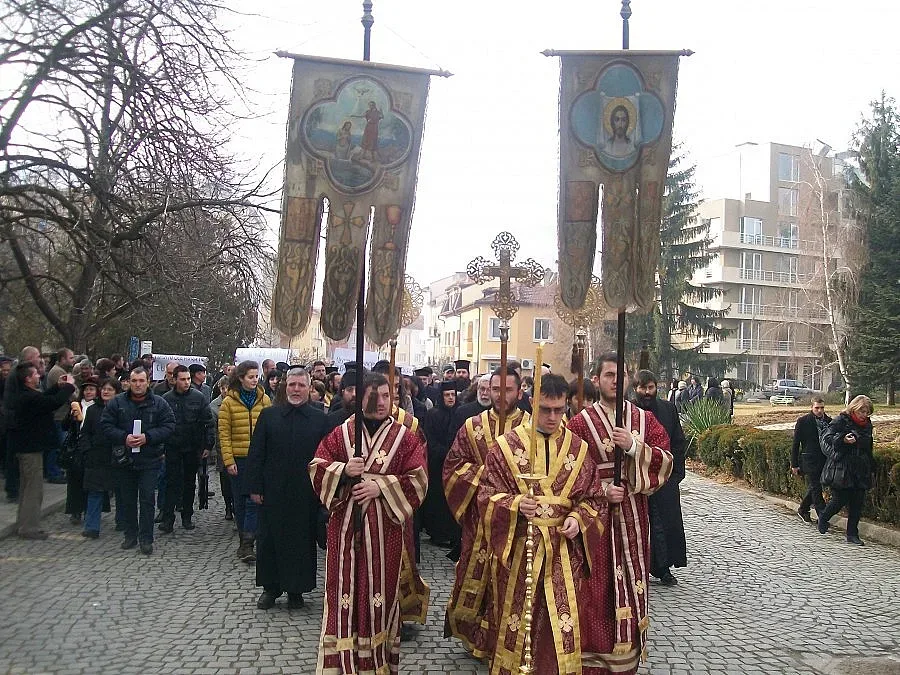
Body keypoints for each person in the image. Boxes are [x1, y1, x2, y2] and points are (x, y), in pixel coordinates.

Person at [479, 374, 606, 674]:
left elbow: (594, 499)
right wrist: (513, 504)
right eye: (546, 409)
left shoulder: (579, 450)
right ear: (532, 402)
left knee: (557, 626)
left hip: (564, 554)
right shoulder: (505, 447)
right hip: (520, 552)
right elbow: (485, 496)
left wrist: (578, 518)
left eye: (559, 410)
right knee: (517, 622)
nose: (552, 417)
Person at [309, 374, 427, 673]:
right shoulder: (341, 434)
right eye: (374, 396)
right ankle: (342, 664)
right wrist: (344, 471)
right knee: (344, 595)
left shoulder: (406, 438)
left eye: (386, 395)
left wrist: (382, 487)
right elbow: (317, 467)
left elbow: (419, 480)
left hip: (384, 534)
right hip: (345, 532)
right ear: (361, 398)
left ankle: (377, 664)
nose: (381, 402)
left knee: (380, 597)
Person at [567, 353, 673, 674]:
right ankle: (590, 658)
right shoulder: (579, 423)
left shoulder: (644, 421)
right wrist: (600, 490)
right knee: (595, 587)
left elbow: (666, 460)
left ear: (628, 380)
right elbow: (564, 473)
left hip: (632, 517)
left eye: (621, 375)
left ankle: (625, 658)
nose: (615, 380)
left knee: (629, 582)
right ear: (596, 380)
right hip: (595, 522)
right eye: (609, 374)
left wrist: (633, 447)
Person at [444, 367, 530, 659]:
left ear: (519, 392)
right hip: (481, 520)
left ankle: (507, 641)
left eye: (508, 390)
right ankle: (477, 638)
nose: (500, 395)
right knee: (477, 574)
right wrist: (489, 480)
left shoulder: (532, 427)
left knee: (510, 581)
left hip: (517, 523)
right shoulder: (472, 426)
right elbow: (453, 466)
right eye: (496, 389)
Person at [248, 368, 329, 610]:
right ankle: (270, 589)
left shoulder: (320, 419)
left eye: (301, 386)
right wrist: (254, 486)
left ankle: (297, 590)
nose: (296, 389)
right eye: (292, 385)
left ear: (308, 388)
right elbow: (256, 454)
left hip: (306, 493)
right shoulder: (269, 416)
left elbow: (326, 458)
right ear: (285, 387)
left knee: (302, 543)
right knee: (268, 541)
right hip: (273, 491)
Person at [100, 367, 175, 554]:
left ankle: (146, 538)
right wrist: (123, 437)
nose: (138, 385)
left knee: (148, 499)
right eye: (134, 381)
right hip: (124, 459)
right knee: (127, 499)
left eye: (141, 381)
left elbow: (169, 425)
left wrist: (148, 437)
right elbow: (106, 425)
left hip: (150, 458)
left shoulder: (159, 403)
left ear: (147, 381)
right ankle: (130, 534)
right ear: (129, 382)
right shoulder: (117, 403)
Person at [8, 362, 76, 539]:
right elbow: (51, 403)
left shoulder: (25, 395)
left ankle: (22, 524)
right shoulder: (28, 397)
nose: (39, 376)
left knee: (26, 488)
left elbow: (45, 398)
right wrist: (68, 387)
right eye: (35, 374)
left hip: (27, 448)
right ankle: (29, 527)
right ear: (28, 379)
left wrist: (56, 386)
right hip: (31, 450)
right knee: (33, 490)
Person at [633, 369, 687, 585]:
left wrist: (675, 474)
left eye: (650, 388)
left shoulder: (668, 410)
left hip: (664, 478)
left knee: (664, 524)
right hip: (636, 479)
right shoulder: (629, 411)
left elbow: (678, 443)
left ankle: (663, 568)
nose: (647, 392)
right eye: (642, 388)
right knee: (637, 525)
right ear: (635, 389)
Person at [219, 360, 271, 563]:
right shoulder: (228, 403)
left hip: (258, 459)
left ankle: (249, 542)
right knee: (239, 501)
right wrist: (228, 459)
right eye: (250, 377)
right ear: (240, 378)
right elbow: (224, 433)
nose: (254, 380)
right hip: (238, 458)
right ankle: (244, 539)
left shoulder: (264, 399)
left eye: (256, 376)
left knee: (252, 501)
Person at [160, 366, 215, 533]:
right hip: (172, 446)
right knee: (171, 482)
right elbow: (161, 424)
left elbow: (208, 422)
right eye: (182, 379)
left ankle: (187, 516)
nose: (186, 382)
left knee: (189, 482)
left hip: (192, 446)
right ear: (175, 380)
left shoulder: (198, 398)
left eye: (188, 379)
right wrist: (161, 447)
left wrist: (207, 445)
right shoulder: (166, 399)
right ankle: (167, 518)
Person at [818, 395, 874, 545]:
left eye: (867, 412)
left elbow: (869, 446)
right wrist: (843, 439)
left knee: (857, 502)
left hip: (860, 466)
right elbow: (827, 438)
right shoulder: (841, 420)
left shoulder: (867, 424)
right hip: (842, 466)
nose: (864, 415)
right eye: (862, 411)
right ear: (854, 409)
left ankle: (852, 534)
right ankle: (824, 517)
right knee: (839, 499)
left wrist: (871, 464)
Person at [79, 378, 120, 538]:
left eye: (110, 389)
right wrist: (86, 449)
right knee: (94, 492)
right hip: (95, 456)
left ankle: (122, 521)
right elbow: (85, 433)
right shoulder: (93, 410)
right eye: (104, 389)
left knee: (121, 492)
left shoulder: (122, 408)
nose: (106, 392)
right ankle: (92, 527)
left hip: (116, 455)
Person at [420, 381, 460, 548]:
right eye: (447, 395)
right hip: (438, 465)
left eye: (453, 394)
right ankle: (438, 534)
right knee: (438, 500)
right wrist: (445, 452)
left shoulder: (459, 413)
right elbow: (429, 438)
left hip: (456, 465)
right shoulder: (433, 414)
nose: (450, 398)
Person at [63, 377, 99, 525]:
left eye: (91, 389)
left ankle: (89, 510)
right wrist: (72, 417)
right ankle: (75, 510)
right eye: (86, 389)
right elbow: (65, 426)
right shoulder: (76, 405)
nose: (88, 392)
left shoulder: (98, 407)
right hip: (76, 447)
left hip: (91, 447)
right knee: (75, 481)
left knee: (90, 481)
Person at [791, 397, 832, 523]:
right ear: (812, 408)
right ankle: (823, 516)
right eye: (817, 408)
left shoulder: (829, 421)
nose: (820, 411)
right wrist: (794, 464)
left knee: (816, 486)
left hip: (824, 459)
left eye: (822, 408)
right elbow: (796, 443)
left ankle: (803, 509)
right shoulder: (803, 421)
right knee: (816, 487)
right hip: (809, 459)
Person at [46, 347, 76, 484]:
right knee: (58, 445)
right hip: (59, 414)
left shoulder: (59, 371)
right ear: (62, 359)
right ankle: (53, 472)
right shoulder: (58, 372)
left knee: (58, 445)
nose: (73, 360)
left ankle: (55, 470)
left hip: (61, 413)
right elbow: (69, 393)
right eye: (70, 358)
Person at [209, 376, 234, 521]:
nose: (225, 391)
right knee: (225, 480)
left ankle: (235, 506)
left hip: (236, 445)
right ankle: (228, 506)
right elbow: (213, 429)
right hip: (221, 448)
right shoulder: (214, 406)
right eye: (223, 388)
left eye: (227, 388)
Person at [451, 373, 492, 438]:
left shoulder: (499, 412)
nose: (485, 393)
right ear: (477, 389)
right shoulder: (462, 411)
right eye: (482, 389)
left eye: (489, 389)